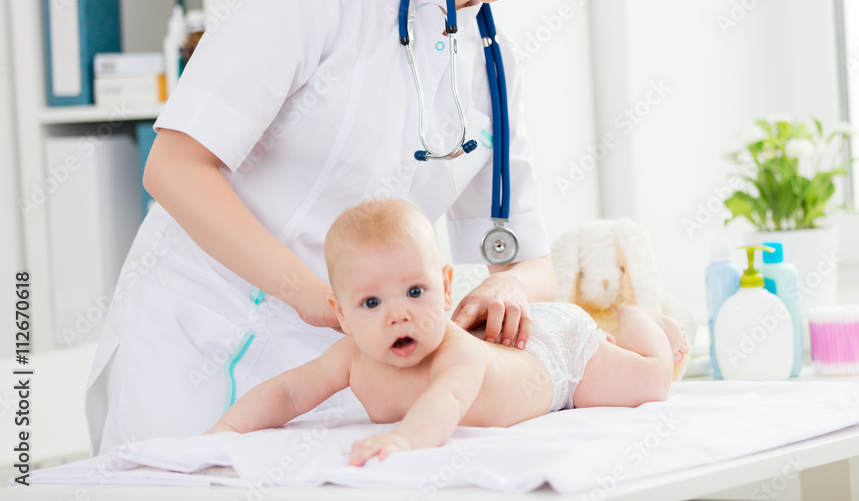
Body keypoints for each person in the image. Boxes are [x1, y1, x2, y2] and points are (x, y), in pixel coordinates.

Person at [85, 0, 636, 455]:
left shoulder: (493, 66)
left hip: (341, 380)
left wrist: (505, 290)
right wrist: (309, 294)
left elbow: (528, 261)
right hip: (192, 345)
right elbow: (175, 168)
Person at [204, 200, 689, 466]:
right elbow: (289, 392)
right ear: (342, 314)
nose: (399, 315)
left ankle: (640, 320)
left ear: (446, 287)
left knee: (651, 381)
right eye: (372, 303)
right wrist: (226, 429)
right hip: (518, 352)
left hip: (556, 355)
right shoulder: (351, 356)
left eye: (416, 292)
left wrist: (402, 442)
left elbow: (443, 406)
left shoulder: (456, 356)